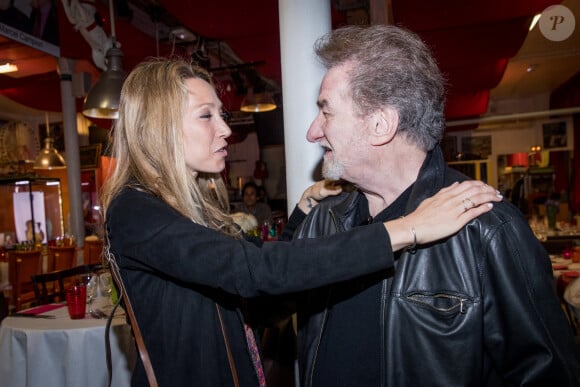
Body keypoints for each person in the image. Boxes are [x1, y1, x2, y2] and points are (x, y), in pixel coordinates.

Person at [100, 58, 502, 387]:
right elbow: (252, 271)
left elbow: (258, 297)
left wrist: (300, 218)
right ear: (159, 127)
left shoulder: (190, 207)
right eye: (207, 116)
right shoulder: (136, 210)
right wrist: (407, 228)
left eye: (221, 114)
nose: (225, 129)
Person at [292, 25, 579, 387]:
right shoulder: (323, 220)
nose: (312, 132)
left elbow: (546, 374)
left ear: (381, 124)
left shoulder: (485, 228)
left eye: (326, 112)